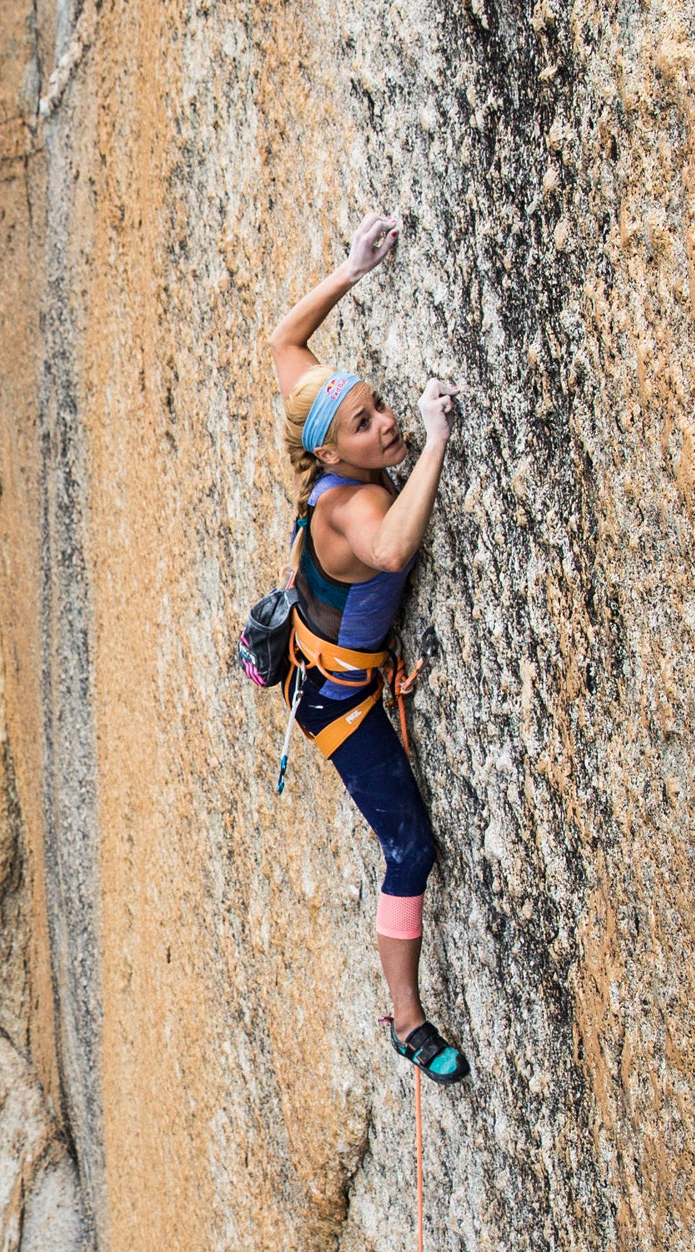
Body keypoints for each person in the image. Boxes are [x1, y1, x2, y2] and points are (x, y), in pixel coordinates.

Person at [264, 211, 467, 1085]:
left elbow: (283, 340)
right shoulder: (353, 508)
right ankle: (408, 1019)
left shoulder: (313, 407)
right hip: (335, 705)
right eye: (366, 425)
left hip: (337, 663)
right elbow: (389, 551)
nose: (384, 425)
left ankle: (408, 1013)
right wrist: (436, 438)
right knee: (411, 849)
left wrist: (351, 269)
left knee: (413, 843)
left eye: (378, 406)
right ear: (332, 450)